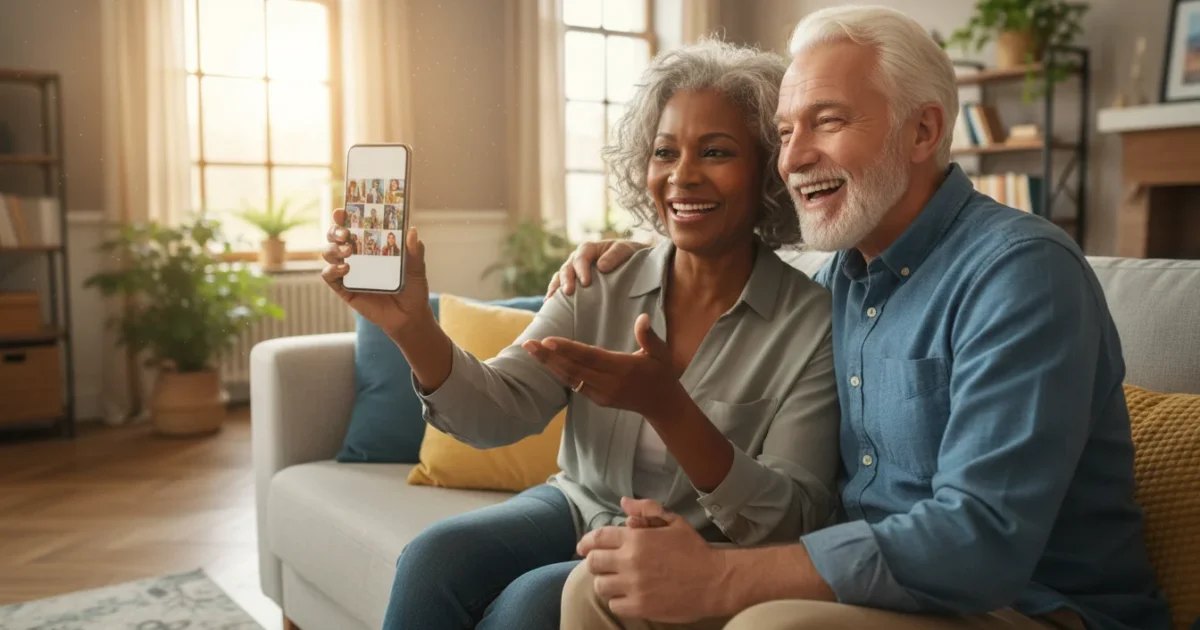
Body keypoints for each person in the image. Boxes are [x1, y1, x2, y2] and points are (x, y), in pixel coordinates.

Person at [550, 6, 1170, 630]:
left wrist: (723, 576)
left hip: (1024, 607)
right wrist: (643, 257)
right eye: (786, 132)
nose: (792, 159)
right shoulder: (832, 284)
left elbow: (981, 542)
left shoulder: (1022, 274)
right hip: (863, 591)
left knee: (771, 628)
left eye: (827, 121)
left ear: (923, 131)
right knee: (597, 588)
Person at [320, 41, 842, 630]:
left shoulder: (811, 323)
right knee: (432, 558)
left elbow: (791, 517)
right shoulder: (601, 281)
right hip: (578, 503)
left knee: (529, 606)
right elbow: (496, 413)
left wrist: (668, 408)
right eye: (664, 152)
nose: (682, 176)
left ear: (770, 166)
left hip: (700, 541)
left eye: (715, 152)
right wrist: (412, 325)